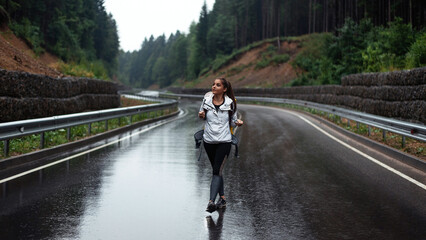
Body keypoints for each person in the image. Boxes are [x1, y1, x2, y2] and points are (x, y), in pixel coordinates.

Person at [198, 77, 244, 213]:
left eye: (218, 85)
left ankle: (211, 201)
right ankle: (222, 199)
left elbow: (232, 122)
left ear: (224, 89)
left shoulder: (231, 104)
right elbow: (202, 116)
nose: (214, 86)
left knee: (217, 170)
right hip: (209, 141)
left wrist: (237, 123)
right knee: (217, 170)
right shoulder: (206, 101)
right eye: (213, 84)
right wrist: (201, 115)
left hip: (224, 141)